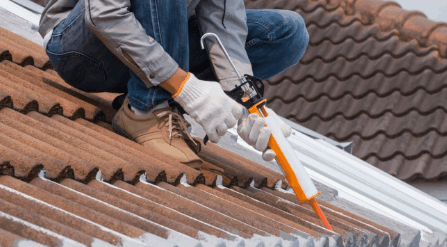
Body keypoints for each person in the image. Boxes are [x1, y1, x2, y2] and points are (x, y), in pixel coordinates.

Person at [38, 0, 309, 170]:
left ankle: (159, 93)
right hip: (82, 51)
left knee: (288, 32)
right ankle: (146, 109)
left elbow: (223, 23)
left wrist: (247, 102)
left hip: (142, 52)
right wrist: (187, 89)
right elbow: (105, 14)